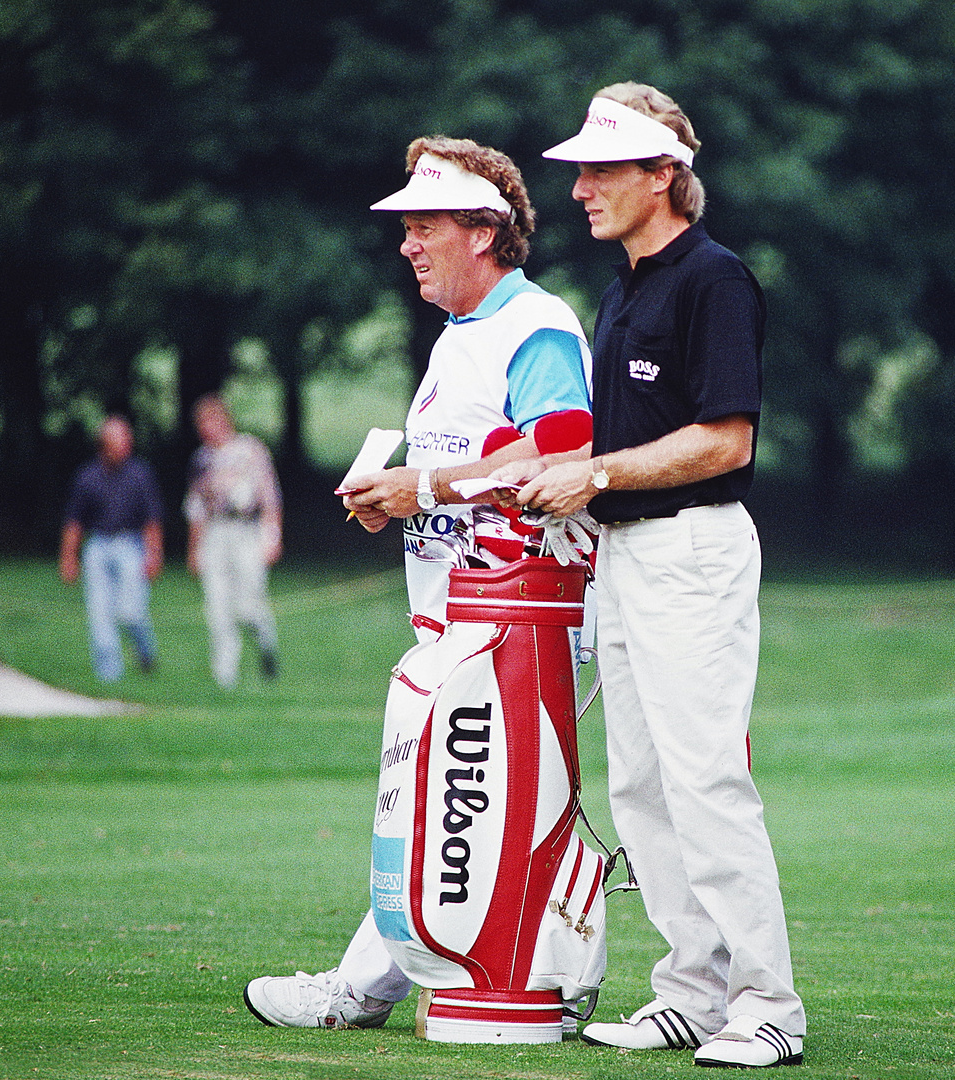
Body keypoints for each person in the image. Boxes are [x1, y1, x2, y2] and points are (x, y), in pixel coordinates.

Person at [241, 135, 593, 1031]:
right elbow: (464, 470)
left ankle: (361, 992)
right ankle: (554, 961)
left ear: (483, 231)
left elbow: (561, 445)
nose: (406, 243)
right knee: (457, 809)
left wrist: (422, 488)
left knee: (451, 808)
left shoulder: (534, 324)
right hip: (463, 617)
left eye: (423, 225)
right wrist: (393, 503)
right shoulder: (456, 339)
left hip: (521, 619)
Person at [496, 83, 806, 1068]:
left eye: (601, 169)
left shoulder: (714, 280)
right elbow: (616, 440)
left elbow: (722, 440)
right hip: (623, 556)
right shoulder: (623, 285)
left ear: (662, 174)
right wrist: (550, 479)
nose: (580, 188)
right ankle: (690, 987)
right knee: (637, 784)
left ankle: (767, 1005)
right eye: (579, 169)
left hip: (692, 549)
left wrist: (591, 474)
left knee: (705, 777)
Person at [184, 394, 283, 688]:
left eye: (210, 420)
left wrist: (272, 537)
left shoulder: (250, 450)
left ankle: (266, 641)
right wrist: (194, 549)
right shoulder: (201, 459)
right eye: (200, 423)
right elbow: (195, 507)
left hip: (246, 531)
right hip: (215, 533)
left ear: (224, 419)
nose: (205, 428)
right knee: (217, 604)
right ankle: (224, 674)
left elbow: (269, 496)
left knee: (248, 603)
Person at [59, 415, 163, 681]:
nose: (127, 443)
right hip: (98, 546)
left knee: (131, 610)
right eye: (120, 439)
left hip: (131, 545)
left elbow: (152, 520)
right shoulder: (87, 477)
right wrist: (69, 559)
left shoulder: (141, 473)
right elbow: (74, 522)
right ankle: (109, 673)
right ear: (104, 444)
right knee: (100, 610)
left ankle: (145, 651)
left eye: (128, 437)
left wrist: (154, 554)